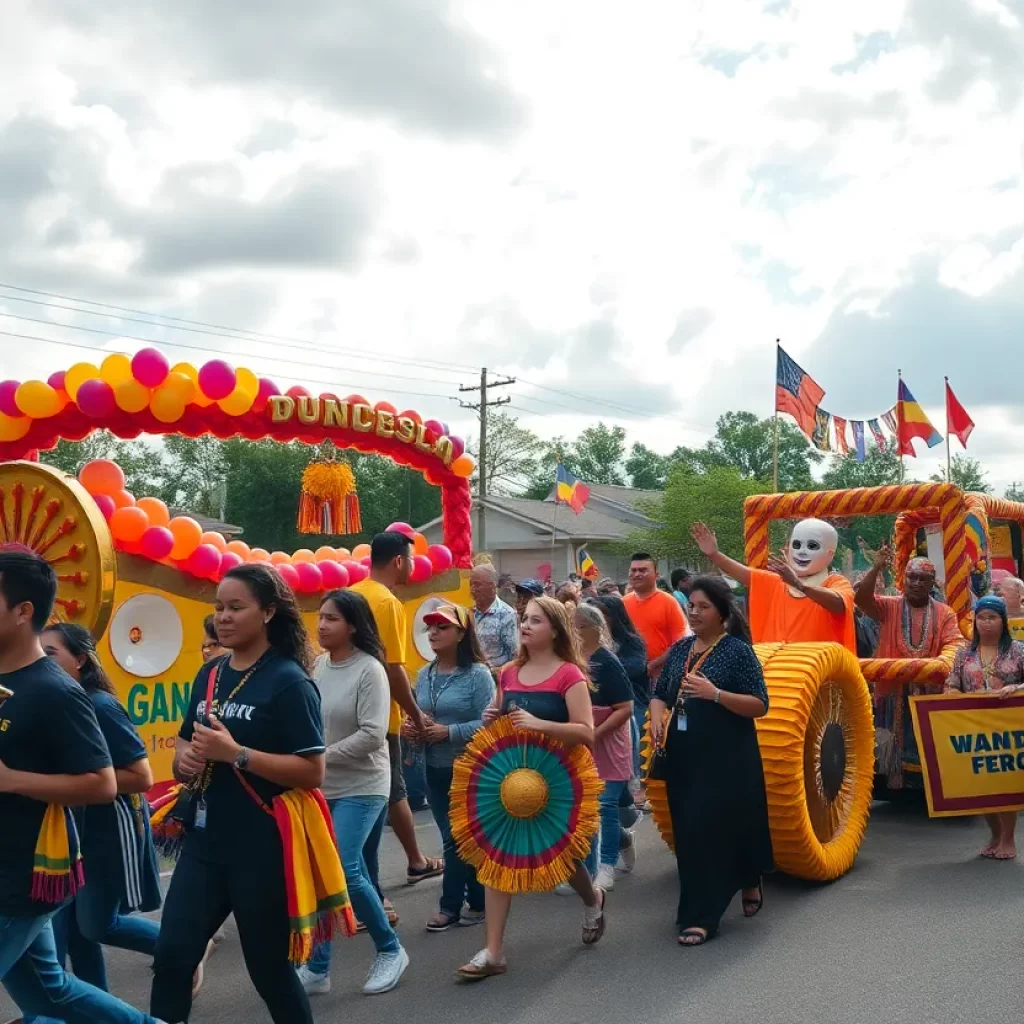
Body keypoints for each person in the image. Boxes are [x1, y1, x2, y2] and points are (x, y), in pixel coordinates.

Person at [151, 564, 328, 1024]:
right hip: (205, 843)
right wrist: (183, 760)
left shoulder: (289, 681)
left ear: (269, 611)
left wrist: (237, 753)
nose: (223, 618)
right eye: (218, 608)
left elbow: (312, 770)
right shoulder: (209, 675)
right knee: (171, 959)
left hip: (262, 845)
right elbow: (188, 737)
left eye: (236, 607)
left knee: (269, 971)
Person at [0, 549, 165, 1024]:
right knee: (52, 994)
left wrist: (11, 782)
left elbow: (102, 783)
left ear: (22, 611)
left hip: (22, 877)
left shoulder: (57, 692)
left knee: (59, 983)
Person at [457, 597, 607, 980]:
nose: (525, 625)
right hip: (511, 778)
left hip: (558, 780)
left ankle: (592, 898)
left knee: (563, 860)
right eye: (524, 619)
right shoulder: (507, 672)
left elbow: (586, 732)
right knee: (495, 856)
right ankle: (493, 952)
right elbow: (503, 721)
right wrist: (492, 715)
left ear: (555, 630)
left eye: (535, 621)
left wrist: (540, 724)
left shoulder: (569, 674)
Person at [648, 576, 773, 946]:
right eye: (691, 605)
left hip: (728, 758)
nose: (695, 612)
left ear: (722, 613)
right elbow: (660, 694)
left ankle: (703, 914)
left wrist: (715, 694)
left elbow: (760, 704)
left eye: (703, 606)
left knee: (720, 828)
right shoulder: (681, 648)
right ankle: (714, 895)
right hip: (685, 758)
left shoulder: (737, 651)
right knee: (690, 832)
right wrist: (656, 715)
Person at [296, 589, 409, 997]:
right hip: (321, 788)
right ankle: (318, 968)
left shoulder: (370, 670)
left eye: (332, 619)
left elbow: (373, 734)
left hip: (364, 786)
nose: (322, 625)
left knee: (345, 870)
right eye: (320, 616)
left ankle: (391, 949)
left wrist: (320, 757)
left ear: (354, 626)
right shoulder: (317, 666)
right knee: (327, 872)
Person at [350, 531, 442, 892]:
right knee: (389, 793)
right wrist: (417, 716)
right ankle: (406, 867)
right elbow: (393, 669)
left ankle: (411, 862)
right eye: (412, 558)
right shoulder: (387, 603)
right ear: (399, 561)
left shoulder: (352, 594)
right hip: (378, 718)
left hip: (347, 711)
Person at [409, 603, 494, 931]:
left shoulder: (478, 675)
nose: (433, 633)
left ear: (461, 633)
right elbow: (419, 712)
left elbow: (490, 724)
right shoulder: (425, 673)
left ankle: (449, 906)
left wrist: (449, 732)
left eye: (442, 627)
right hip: (433, 767)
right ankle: (479, 899)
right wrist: (412, 725)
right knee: (458, 837)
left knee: (455, 839)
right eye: (430, 627)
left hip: (469, 769)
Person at [855, 547, 965, 788]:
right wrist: (876, 568)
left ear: (931, 583)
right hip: (892, 689)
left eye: (922, 579)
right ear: (904, 580)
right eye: (911, 578)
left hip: (929, 690)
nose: (915, 583)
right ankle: (893, 786)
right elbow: (861, 601)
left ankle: (927, 786)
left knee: (927, 741)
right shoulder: (890, 605)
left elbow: (955, 643)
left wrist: (940, 663)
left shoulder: (944, 613)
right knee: (890, 742)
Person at [692, 519, 856, 653]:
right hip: (777, 671)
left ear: (830, 554)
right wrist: (714, 554)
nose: (802, 552)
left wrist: (799, 585)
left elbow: (839, 604)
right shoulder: (776, 582)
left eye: (812, 546)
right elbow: (741, 573)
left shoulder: (836, 583)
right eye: (797, 545)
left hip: (820, 676)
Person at [944, 595, 1024, 861]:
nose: (987, 623)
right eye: (982, 618)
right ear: (975, 621)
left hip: (1008, 727)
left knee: (1004, 779)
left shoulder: (1018, 650)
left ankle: (1009, 839)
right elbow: (952, 684)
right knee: (980, 784)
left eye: (993, 617)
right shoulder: (963, 654)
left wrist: (1017, 687)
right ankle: (994, 835)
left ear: (1003, 621)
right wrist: (954, 694)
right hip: (974, 726)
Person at [574, 603, 634, 891]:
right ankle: (620, 840)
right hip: (582, 743)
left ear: (592, 629)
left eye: (577, 626)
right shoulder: (572, 662)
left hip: (608, 742)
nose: (572, 632)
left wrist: (595, 733)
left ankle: (606, 864)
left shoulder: (607, 662)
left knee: (606, 804)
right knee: (587, 808)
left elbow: (625, 708)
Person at [592, 593, 650, 809]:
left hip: (632, 701)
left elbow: (636, 667)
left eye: (603, 616)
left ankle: (635, 787)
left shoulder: (632, 642)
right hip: (598, 705)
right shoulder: (587, 643)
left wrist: (606, 667)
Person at [623, 553, 690, 687]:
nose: (637, 574)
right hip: (629, 677)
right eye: (633, 570)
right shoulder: (622, 603)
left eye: (643, 570)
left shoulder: (669, 602)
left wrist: (653, 664)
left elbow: (681, 642)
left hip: (660, 676)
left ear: (656, 575)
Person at [469, 564, 518, 672]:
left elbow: (516, 656)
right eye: (471, 585)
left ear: (492, 586)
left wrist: (496, 672)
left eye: (477, 585)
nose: (472, 590)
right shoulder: (469, 613)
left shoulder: (506, 614)